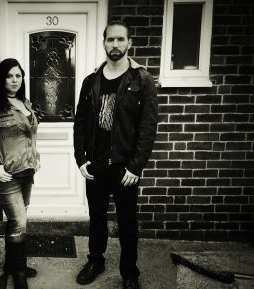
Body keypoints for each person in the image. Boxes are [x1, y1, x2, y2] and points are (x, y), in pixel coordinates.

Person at [73, 20, 158, 289]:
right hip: (96, 166)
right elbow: (80, 123)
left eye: (121, 40)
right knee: (96, 219)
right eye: (110, 40)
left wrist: (136, 166)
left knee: (127, 225)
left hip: (125, 169)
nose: (115, 45)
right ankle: (95, 261)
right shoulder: (90, 81)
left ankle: (130, 274)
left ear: (129, 43)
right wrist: (81, 158)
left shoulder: (141, 80)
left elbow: (147, 126)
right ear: (103, 43)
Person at [0, 58, 40, 289]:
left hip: (27, 171)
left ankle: (11, 265)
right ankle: (19, 272)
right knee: (19, 221)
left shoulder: (25, 103)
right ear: (2, 79)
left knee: (16, 221)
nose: (14, 80)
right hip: (6, 174)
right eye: (9, 76)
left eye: (18, 76)